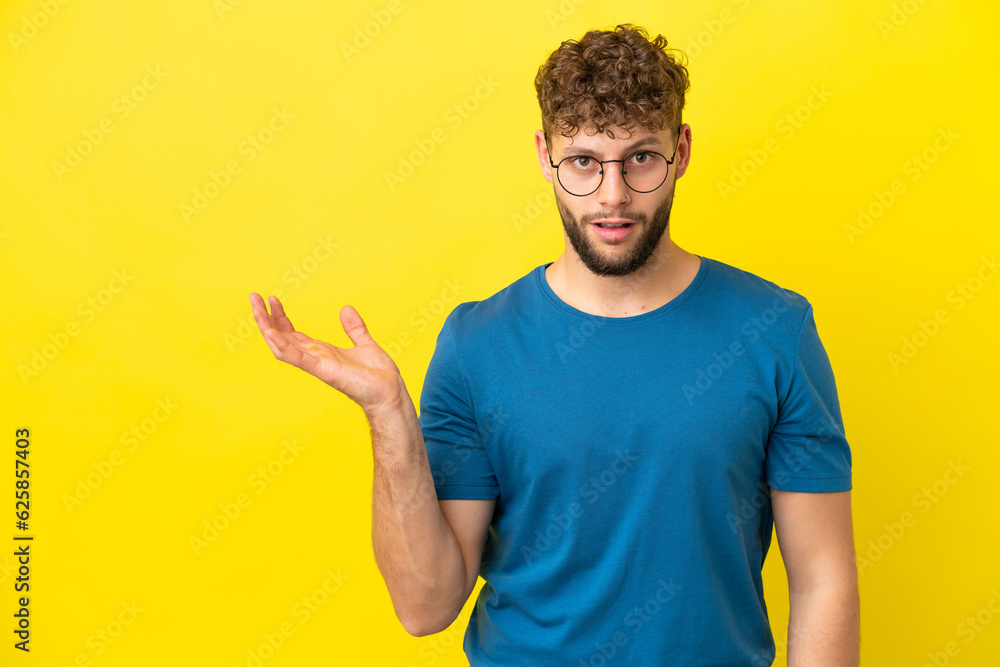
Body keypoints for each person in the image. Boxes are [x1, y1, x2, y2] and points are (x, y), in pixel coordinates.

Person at [249, 23, 860, 666]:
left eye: (641, 158)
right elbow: (425, 607)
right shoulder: (475, 345)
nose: (613, 194)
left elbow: (823, 579)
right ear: (545, 156)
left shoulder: (775, 330)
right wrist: (389, 417)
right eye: (585, 162)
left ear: (681, 151)